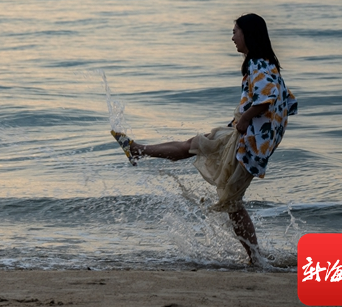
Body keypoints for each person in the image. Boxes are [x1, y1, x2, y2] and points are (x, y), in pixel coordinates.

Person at [111, 13, 298, 263]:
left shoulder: (258, 64)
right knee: (194, 146)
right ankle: (137, 150)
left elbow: (270, 97)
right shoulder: (264, 63)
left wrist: (245, 120)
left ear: (248, 34)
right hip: (244, 138)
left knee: (232, 203)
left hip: (248, 145)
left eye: (235, 31)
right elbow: (287, 103)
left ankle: (256, 258)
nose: (232, 37)